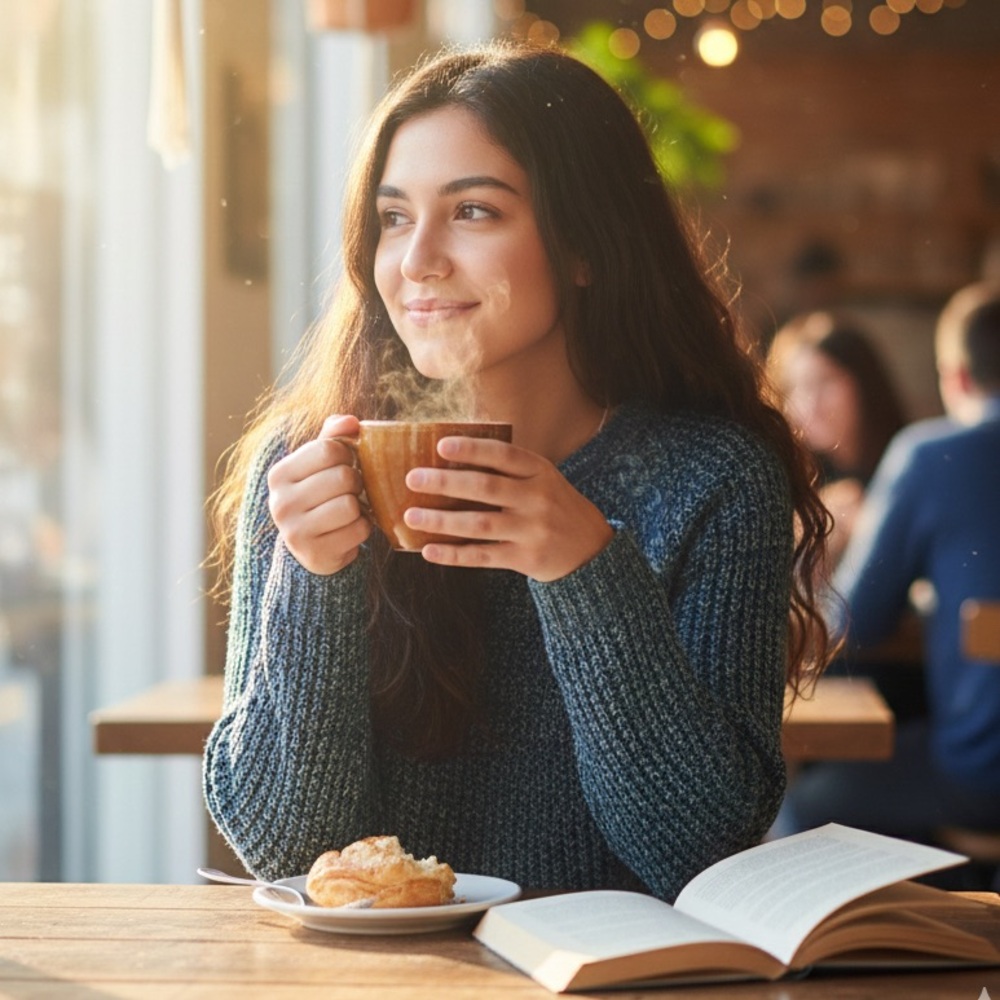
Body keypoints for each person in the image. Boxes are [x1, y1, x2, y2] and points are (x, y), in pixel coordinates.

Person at [201, 41, 832, 903]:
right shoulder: (307, 466)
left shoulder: (713, 479)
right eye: (393, 217)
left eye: (472, 212)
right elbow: (282, 846)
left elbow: (701, 848)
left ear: (585, 246)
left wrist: (583, 570)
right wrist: (313, 579)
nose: (416, 259)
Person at [779, 282, 1000, 855]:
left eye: (826, 384)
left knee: (803, 802)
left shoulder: (929, 455)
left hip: (982, 774)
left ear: (954, 377)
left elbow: (854, 621)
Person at [767, 311, 908, 571]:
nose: (810, 404)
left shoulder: (909, 463)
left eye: (824, 382)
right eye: (794, 388)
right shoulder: (784, 483)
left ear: (865, 384)